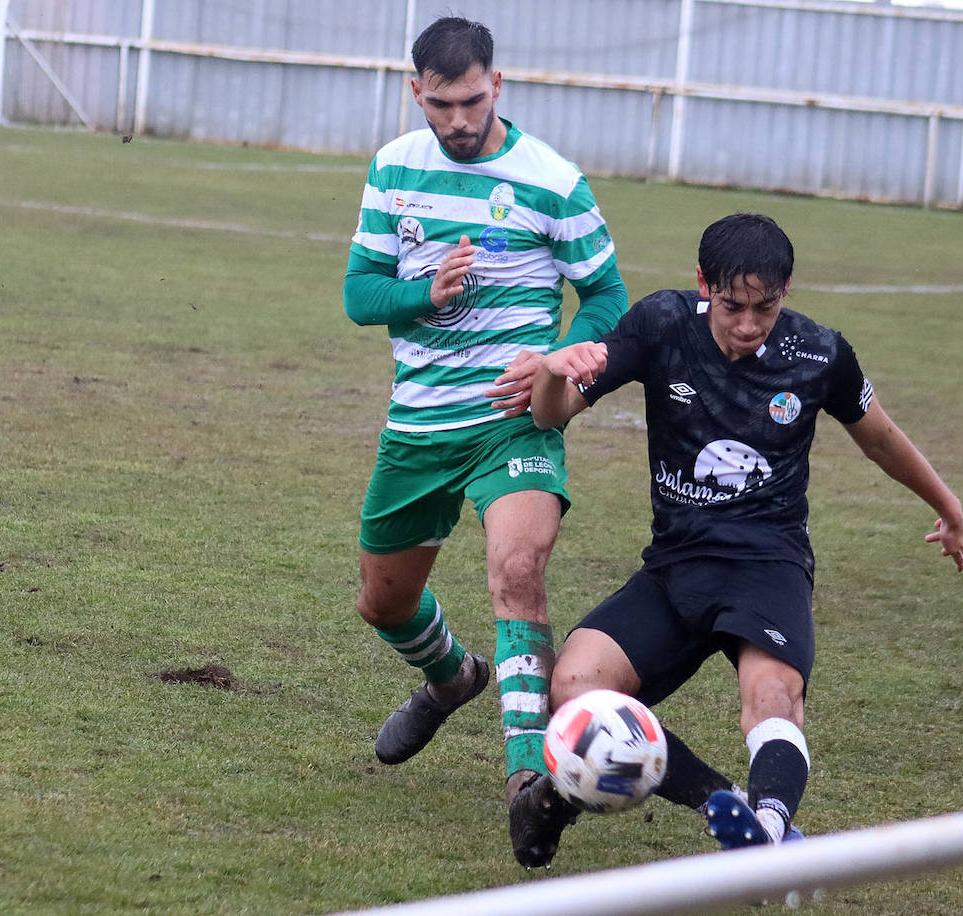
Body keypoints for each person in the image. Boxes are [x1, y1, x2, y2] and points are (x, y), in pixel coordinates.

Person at [520, 212, 963, 865]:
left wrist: (947, 505)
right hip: (675, 568)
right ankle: (719, 802)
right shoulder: (661, 325)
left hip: (769, 566)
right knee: (573, 688)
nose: (750, 324)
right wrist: (554, 369)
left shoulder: (820, 354)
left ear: (787, 291)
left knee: (774, 696)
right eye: (732, 306)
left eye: (767, 306)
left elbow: (880, 439)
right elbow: (547, 413)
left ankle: (769, 823)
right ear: (704, 284)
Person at [343, 16, 628, 867]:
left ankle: (528, 782)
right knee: (383, 604)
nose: (458, 119)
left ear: (496, 85)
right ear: (415, 92)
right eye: (441, 104)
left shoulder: (553, 182)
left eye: (471, 101)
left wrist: (561, 361)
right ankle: (452, 678)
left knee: (518, 571)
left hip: (515, 425)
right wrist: (424, 293)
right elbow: (360, 295)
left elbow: (608, 296)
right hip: (420, 426)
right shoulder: (395, 167)